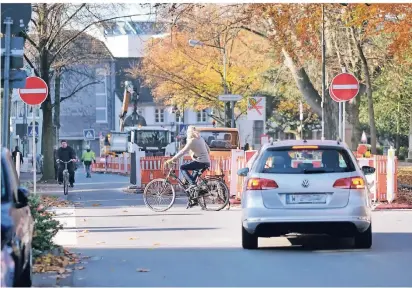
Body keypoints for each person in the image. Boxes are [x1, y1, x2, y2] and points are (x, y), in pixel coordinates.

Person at [165, 126, 211, 195]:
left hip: (200, 162)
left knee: (182, 167)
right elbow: (208, 150)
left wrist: (172, 160)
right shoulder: (200, 138)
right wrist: (198, 154)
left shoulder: (192, 140)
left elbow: (182, 152)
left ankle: (193, 184)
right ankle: (194, 199)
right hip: (206, 162)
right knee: (192, 179)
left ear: (189, 133)